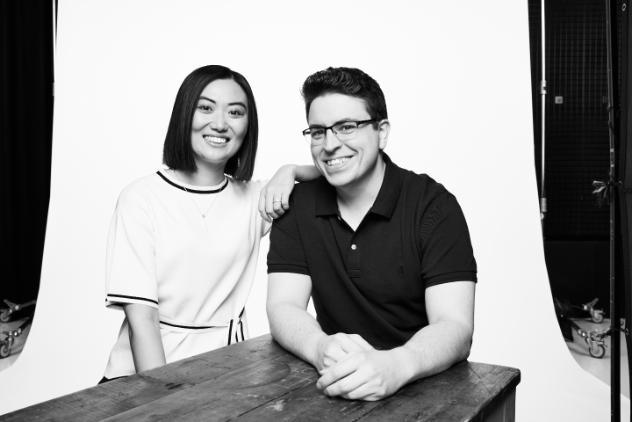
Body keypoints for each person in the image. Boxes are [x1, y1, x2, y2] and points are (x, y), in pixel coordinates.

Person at [266, 67, 477, 401]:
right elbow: (283, 305)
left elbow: (455, 325)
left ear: (382, 132)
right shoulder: (298, 206)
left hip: (426, 386)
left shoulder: (432, 206)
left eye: (347, 127)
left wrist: (396, 365)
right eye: (318, 132)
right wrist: (319, 346)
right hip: (336, 381)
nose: (330, 145)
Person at [102, 65, 317, 382]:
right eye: (205, 108)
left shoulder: (255, 199)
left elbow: (345, 172)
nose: (220, 123)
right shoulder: (141, 198)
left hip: (224, 377)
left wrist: (292, 170)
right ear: (184, 115)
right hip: (143, 382)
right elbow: (142, 320)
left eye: (235, 112)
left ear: (248, 126)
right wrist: (164, 404)